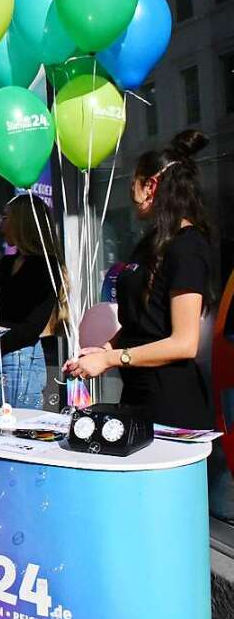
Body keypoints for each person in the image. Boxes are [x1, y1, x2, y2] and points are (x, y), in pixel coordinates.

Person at [66, 130, 213, 429]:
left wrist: (112, 359)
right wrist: (104, 350)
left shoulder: (187, 246)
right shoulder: (149, 245)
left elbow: (184, 344)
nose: (130, 194)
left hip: (171, 406)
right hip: (136, 397)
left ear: (151, 185)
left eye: (133, 182)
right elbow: (142, 322)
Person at [0, 196, 70, 409]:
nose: (0, 225)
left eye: (5, 217)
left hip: (20, 356)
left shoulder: (45, 266)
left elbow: (31, 327)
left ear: (22, 222)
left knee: (17, 429)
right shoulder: (7, 262)